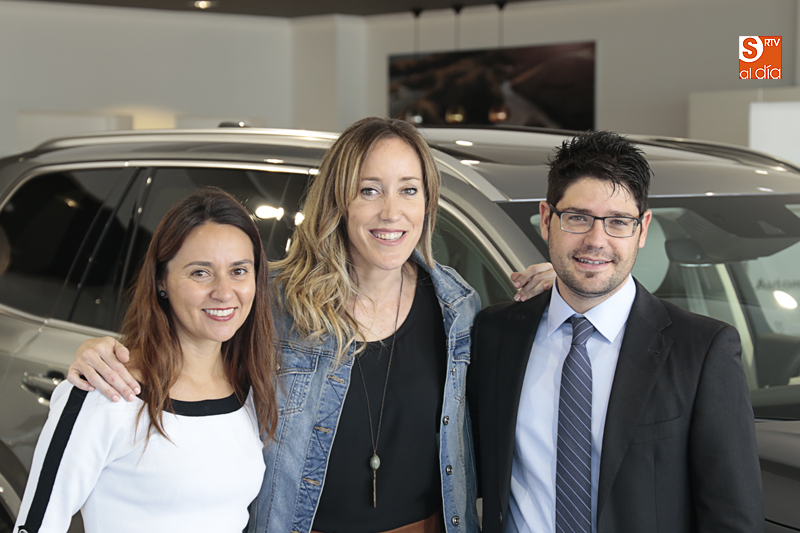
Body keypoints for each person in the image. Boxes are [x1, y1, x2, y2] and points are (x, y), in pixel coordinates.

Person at [65, 117, 554, 533]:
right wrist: (101, 351)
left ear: (428, 202)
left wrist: (568, 284)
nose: (392, 212)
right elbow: (181, 343)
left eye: (409, 190)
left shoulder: (457, 307)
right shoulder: (271, 302)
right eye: (369, 191)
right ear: (338, 201)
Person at [468, 130, 764, 533]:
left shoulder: (702, 351)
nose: (596, 240)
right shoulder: (496, 333)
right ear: (546, 219)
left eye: (618, 222)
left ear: (642, 229)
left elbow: (733, 519)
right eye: (577, 218)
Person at [15, 188, 279, 533]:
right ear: (161, 281)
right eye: (200, 272)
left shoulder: (252, 390)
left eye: (239, 271)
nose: (224, 292)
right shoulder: (107, 391)